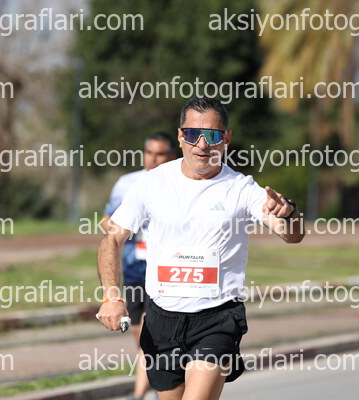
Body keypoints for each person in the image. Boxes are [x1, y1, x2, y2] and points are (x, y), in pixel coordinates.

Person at [96, 97, 305, 400]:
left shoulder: (242, 188)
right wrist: (112, 297)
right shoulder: (153, 183)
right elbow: (112, 239)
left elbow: (291, 235)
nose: (203, 144)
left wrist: (290, 215)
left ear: (226, 139)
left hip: (216, 318)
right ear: (180, 136)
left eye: (213, 135)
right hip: (162, 317)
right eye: (193, 134)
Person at [101, 132, 177, 400]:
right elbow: (106, 220)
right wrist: (126, 226)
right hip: (134, 268)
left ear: (172, 156)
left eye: (160, 154)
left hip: (164, 271)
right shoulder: (128, 183)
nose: (153, 159)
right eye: (149, 153)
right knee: (142, 338)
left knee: (150, 334)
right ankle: (160, 386)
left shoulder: (178, 183)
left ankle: (142, 394)